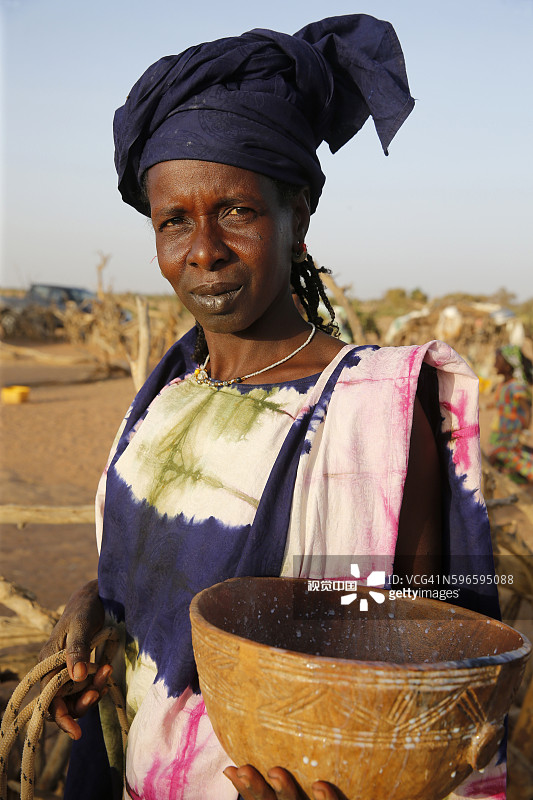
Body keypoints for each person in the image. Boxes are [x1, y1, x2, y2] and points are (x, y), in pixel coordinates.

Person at [39, 15, 504, 800]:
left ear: (299, 216)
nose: (203, 251)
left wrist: (269, 622)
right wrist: (97, 604)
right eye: (173, 221)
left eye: (237, 211)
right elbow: (142, 565)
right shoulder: (168, 399)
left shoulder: (371, 411)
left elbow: (420, 622)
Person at [488, 345, 533, 483]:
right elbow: (500, 403)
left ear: (508, 366)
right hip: (501, 433)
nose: (494, 364)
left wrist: (523, 434)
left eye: (498, 360)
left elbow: (526, 409)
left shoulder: (515, 386)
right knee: (503, 460)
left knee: (499, 456)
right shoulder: (502, 385)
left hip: (511, 435)